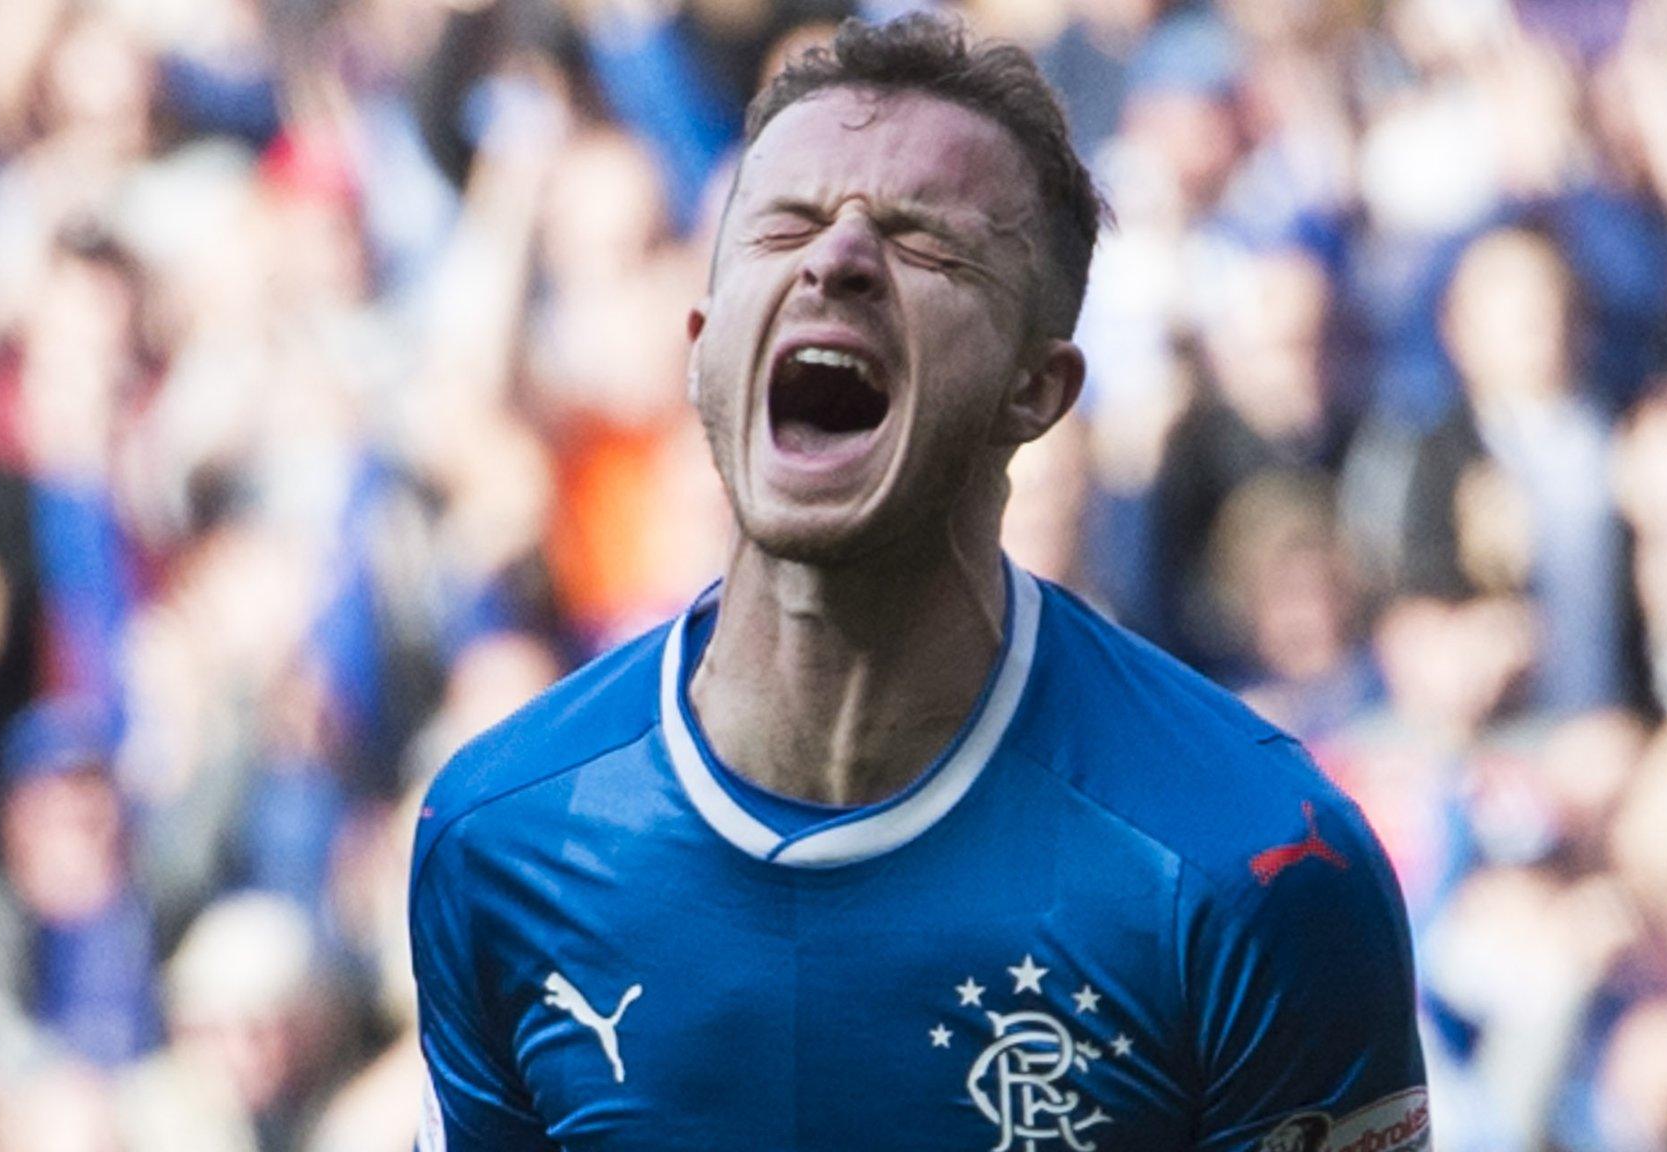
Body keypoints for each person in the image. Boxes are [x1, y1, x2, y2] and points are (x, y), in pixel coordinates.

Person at [409, 15, 1428, 1150]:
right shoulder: (504, 835)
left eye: (924, 242)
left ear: (1036, 392)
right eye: (782, 226)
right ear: (699, 343)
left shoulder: (1255, 865)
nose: (834, 260)